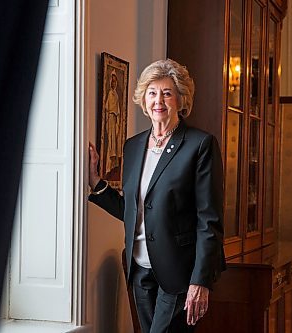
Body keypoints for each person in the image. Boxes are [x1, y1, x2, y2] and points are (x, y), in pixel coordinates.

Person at [89, 59, 225, 333]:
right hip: (140, 271)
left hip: (179, 273)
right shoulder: (133, 146)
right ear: (144, 99)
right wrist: (96, 182)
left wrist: (200, 280)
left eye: (167, 93)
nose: (158, 100)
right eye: (152, 92)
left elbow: (209, 220)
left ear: (180, 99)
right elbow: (135, 209)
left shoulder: (200, 145)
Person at [104, 70, 122, 177]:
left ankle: (114, 164)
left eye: (115, 82)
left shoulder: (116, 94)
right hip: (110, 118)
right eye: (112, 82)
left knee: (115, 140)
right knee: (111, 141)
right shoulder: (110, 94)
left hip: (115, 119)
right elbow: (107, 107)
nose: (114, 84)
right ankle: (108, 166)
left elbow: (118, 109)